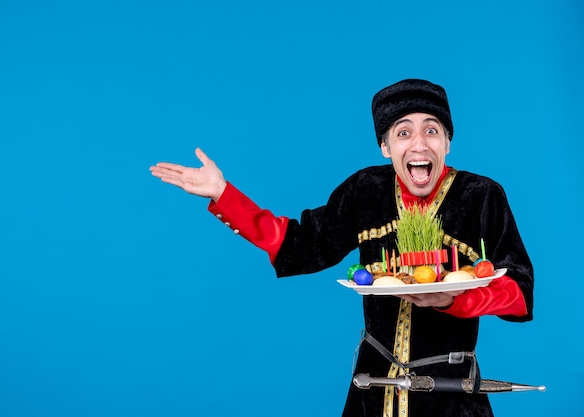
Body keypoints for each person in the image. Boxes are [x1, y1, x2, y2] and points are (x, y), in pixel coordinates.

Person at [150, 79, 534, 417]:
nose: (419, 144)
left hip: (451, 395)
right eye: (403, 133)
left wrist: (455, 300)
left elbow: (518, 290)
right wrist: (224, 194)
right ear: (385, 146)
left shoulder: (482, 196)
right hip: (372, 389)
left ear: (447, 141)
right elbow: (299, 246)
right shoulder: (364, 191)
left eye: (431, 131)